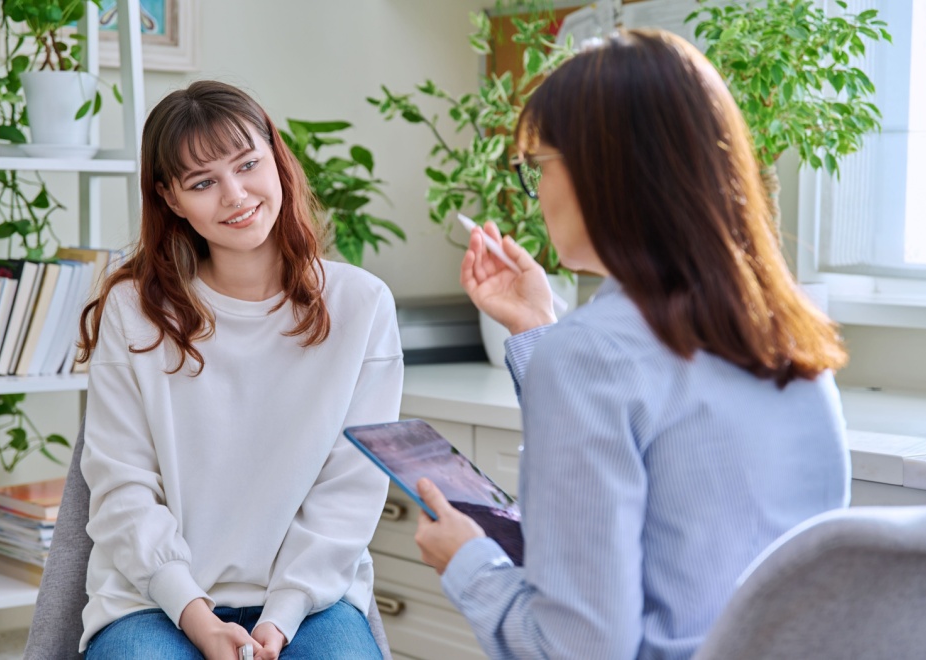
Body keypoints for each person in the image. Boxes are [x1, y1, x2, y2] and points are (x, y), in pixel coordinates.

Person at [413, 29, 851, 659]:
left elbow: (578, 649)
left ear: (601, 172)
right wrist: (539, 327)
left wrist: (468, 562)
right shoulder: (786, 332)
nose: (536, 193)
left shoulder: (591, 355)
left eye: (539, 166)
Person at [75, 80, 402, 660]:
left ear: (276, 158)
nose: (235, 195)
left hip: (311, 600)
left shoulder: (362, 306)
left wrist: (282, 613)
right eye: (203, 183)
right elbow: (122, 489)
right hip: (156, 600)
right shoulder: (134, 313)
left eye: (248, 164)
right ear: (171, 199)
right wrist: (198, 619)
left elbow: (350, 491)